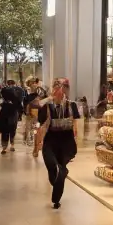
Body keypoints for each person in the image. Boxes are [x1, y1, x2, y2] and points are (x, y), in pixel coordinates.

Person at [32, 80, 79, 209]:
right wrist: (49, 98)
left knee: (60, 168)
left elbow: (75, 123)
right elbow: (35, 108)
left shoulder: (71, 105)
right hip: (50, 141)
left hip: (66, 142)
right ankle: (62, 174)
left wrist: (76, 139)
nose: (60, 90)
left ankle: (56, 199)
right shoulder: (47, 105)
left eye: (64, 87)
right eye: (57, 87)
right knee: (52, 167)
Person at [0, 81, 20, 155]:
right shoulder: (16, 94)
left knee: (6, 131)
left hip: (6, 115)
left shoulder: (5, 95)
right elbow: (19, 105)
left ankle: (5, 147)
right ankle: (11, 145)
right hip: (12, 116)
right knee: (12, 130)